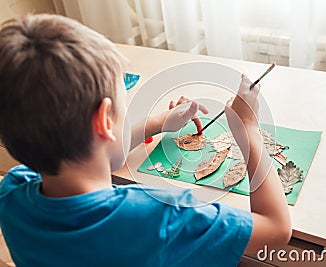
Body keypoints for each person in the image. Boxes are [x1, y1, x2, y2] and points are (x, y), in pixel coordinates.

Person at [0, 14, 291, 266]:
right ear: (104, 120)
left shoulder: (11, 193)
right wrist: (248, 128)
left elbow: (91, 153)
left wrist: (158, 123)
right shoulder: (163, 218)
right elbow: (277, 230)